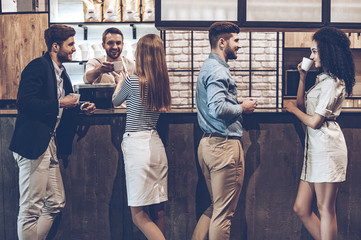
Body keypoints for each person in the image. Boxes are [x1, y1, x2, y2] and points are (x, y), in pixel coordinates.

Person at [9, 24, 96, 240]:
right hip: (33, 145)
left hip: (50, 146)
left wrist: (80, 105)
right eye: (70, 44)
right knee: (30, 208)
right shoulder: (38, 66)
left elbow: (63, 101)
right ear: (55, 46)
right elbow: (26, 103)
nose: (74, 49)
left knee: (56, 202)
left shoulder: (61, 72)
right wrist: (60, 103)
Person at [285, 27, 355, 240]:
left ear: (327, 51)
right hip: (314, 150)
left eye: (315, 51)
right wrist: (302, 78)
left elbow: (314, 121)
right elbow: (303, 105)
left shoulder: (334, 82)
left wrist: (293, 110)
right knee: (301, 208)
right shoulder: (323, 79)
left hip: (326, 148)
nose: (311, 56)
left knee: (325, 209)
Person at [192, 22, 257, 240]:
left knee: (215, 207)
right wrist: (242, 107)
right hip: (224, 147)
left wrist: (235, 100)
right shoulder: (218, 69)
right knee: (223, 214)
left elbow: (215, 101)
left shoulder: (209, 67)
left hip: (209, 145)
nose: (240, 45)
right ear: (222, 42)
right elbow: (217, 108)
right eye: (236, 40)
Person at [112, 34, 171, 240]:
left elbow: (115, 101)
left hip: (137, 146)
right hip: (156, 145)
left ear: (140, 54)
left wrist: (119, 82)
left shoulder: (131, 80)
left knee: (138, 215)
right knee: (158, 209)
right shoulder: (161, 82)